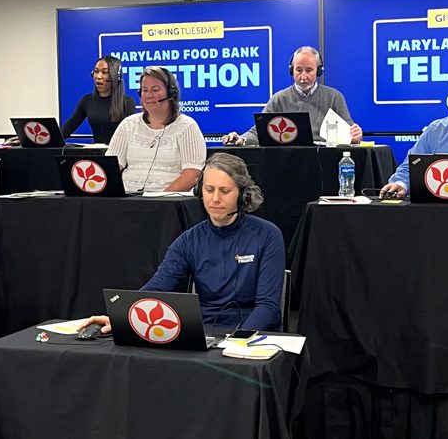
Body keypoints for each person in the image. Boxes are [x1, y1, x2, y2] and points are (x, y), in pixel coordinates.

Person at [79, 153, 285, 333]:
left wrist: (240, 338)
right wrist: (120, 317)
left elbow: (267, 306)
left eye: (224, 191)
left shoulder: (267, 235)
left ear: (242, 195)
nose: (214, 199)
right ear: (199, 191)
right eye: (209, 189)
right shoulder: (188, 240)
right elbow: (157, 288)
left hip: (253, 336)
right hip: (206, 333)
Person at [222, 45, 363, 146]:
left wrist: (355, 136)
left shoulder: (334, 97)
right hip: (287, 162)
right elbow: (259, 132)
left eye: (309, 70)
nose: (303, 76)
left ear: (318, 72)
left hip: (324, 161)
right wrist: (240, 138)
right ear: (291, 70)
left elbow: (350, 133)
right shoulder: (279, 99)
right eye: (298, 70)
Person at [106, 66, 206, 192]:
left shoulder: (187, 126)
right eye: (144, 90)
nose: (148, 95)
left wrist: (157, 200)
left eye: (155, 90)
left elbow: (192, 175)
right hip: (127, 199)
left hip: (167, 203)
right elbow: (110, 168)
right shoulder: (128, 124)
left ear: (171, 92)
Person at [61, 56, 136, 144]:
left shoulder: (127, 102)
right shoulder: (87, 100)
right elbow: (66, 130)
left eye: (104, 72)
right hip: (96, 154)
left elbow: (130, 138)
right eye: (96, 71)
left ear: (116, 76)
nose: (98, 76)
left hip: (118, 155)